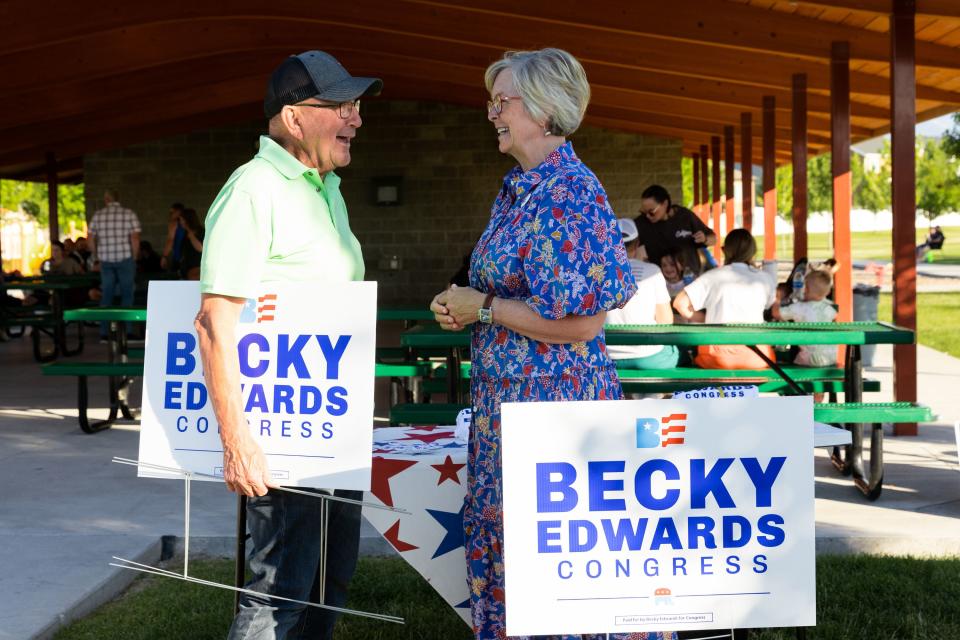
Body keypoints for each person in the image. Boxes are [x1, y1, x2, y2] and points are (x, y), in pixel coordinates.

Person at [430, 48, 672, 640]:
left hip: (553, 412)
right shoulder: (522, 189)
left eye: (502, 100)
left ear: (543, 111)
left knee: (553, 570)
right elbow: (518, 295)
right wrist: (468, 304)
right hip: (510, 407)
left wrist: (483, 306)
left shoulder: (567, 193)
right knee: (515, 556)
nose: (491, 112)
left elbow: (583, 324)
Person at [194, 50, 381, 640]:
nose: (356, 119)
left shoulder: (327, 187)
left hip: (333, 429)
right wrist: (238, 441)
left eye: (357, 107)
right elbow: (213, 322)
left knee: (328, 587)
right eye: (342, 107)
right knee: (278, 598)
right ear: (295, 118)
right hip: (282, 439)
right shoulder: (253, 190)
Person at [674, 228, 776, 369]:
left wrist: (706, 318)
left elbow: (679, 303)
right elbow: (770, 305)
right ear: (752, 252)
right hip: (757, 357)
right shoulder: (765, 278)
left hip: (717, 357)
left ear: (725, 250)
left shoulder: (713, 276)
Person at [606, 218, 679, 369]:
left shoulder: (595, 272)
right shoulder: (652, 271)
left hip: (607, 356)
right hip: (649, 356)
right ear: (637, 244)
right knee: (679, 351)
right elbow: (665, 321)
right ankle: (650, 393)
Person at [88, 189, 141, 339]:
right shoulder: (129, 214)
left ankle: (104, 333)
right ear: (118, 198)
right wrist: (134, 257)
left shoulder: (98, 216)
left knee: (106, 295)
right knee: (127, 295)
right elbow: (135, 238)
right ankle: (128, 331)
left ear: (106, 200)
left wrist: (96, 256)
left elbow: (90, 238)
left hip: (106, 260)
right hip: (125, 258)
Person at [636, 184, 716, 275]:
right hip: (660, 280)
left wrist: (705, 238)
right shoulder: (642, 222)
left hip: (689, 278)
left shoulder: (685, 216)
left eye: (651, 212)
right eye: (643, 212)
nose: (647, 216)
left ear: (665, 204)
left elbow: (713, 239)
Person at [176, 208, 204, 280]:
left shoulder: (201, 232)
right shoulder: (185, 234)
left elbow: (200, 248)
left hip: (198, 268)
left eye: (182, 220)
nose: (181, 222)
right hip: (187, 269)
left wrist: (190, 234)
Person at [160, 202, 187, 272]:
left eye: (172, 212)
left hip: (179, 257)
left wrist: (164, 256)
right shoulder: (189, 223)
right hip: (190, 256)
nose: (170, 215)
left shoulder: (174, 223)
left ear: (178, 212)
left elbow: (170, 240)